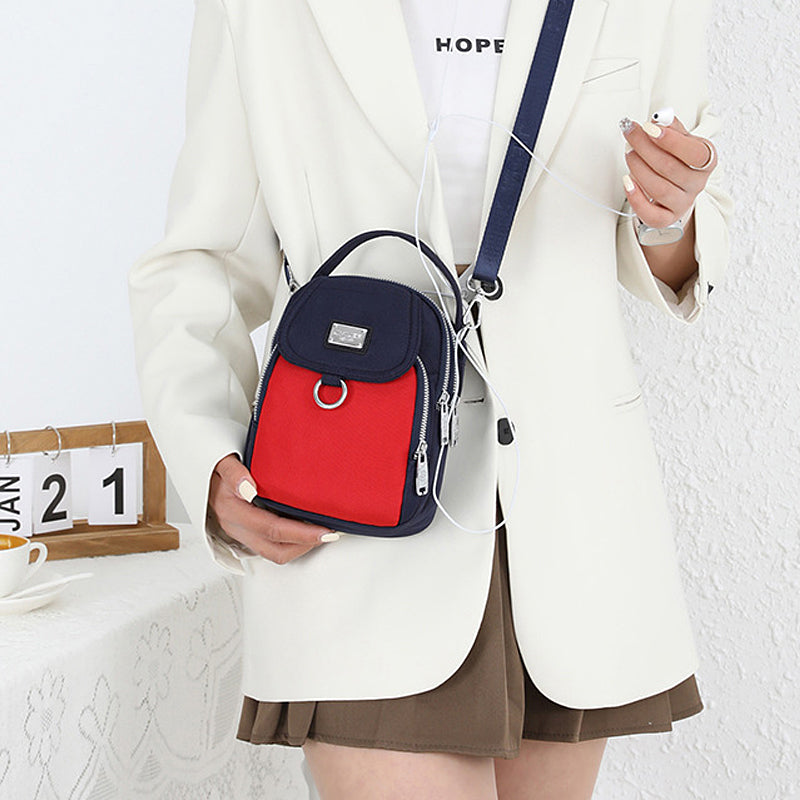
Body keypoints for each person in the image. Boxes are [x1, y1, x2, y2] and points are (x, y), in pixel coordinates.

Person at [128, 0, 733, 797]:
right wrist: (209, 457)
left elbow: (672, 237)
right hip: (350, 504)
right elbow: (204, 256)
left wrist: (670, 215)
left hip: (567, 520)